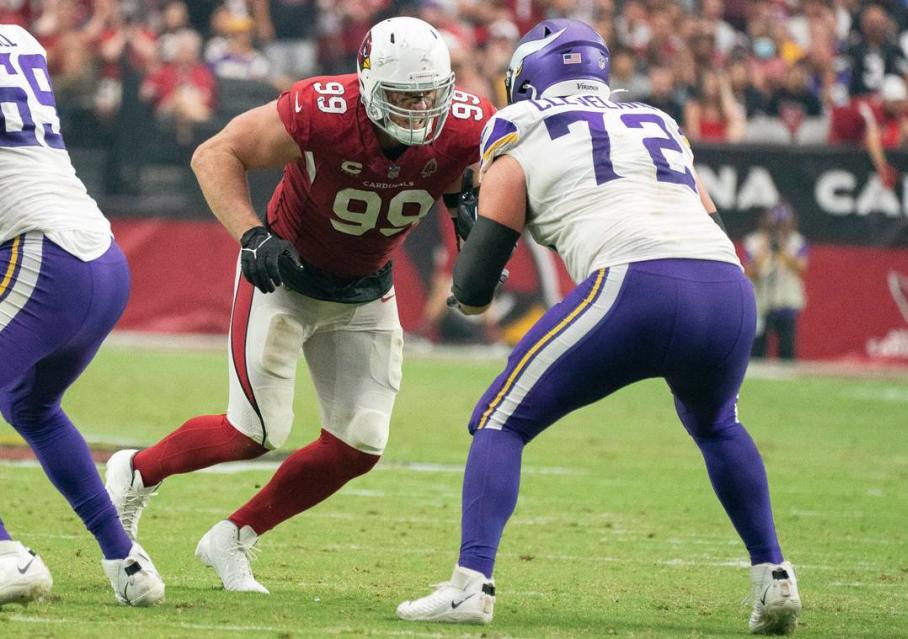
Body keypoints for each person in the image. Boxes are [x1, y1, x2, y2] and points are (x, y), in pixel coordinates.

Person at [396, 18, 801, 635]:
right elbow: (708, 221)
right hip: (724, 285)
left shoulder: (517, 124)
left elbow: (478, 278)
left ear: (528, 74)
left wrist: (470, 297)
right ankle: (774, 577)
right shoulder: (659, 120)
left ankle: (469, 586)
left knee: (500, 419)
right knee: (718, 424)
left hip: (634, 283)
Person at [105, 16, 494, 593]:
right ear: (368, 85)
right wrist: (251, 234)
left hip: (366, 287)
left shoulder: (468, 122)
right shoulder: (324, 109)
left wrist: (470, 201)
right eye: (402, 96)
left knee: (361, 442)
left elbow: (479, 172)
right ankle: (136, 472)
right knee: (255, 431)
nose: (417, 111)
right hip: (286, 279)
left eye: (428, 96)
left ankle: (234, 537)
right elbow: (216, 154)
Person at [0, 25, 164, 607]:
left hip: (45, 256)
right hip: (100, 257)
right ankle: (127, 562)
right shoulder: (18, 40)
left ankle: (5, 558)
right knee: (29, 405)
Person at [743, 202, 809, 361]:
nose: (779, 228)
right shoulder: (753, 241)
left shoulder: (797, 241)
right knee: (757, 350)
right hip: (761, 303)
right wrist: (765, 251)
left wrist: (782, 250)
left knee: (787, 349)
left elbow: (801, 268)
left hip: (786, 301)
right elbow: (749, 271)